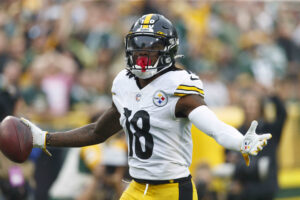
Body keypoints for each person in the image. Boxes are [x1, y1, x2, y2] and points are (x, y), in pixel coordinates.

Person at [20, 14, 272, 200]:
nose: (142, 52)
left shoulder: (178, 84)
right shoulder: (124, 83)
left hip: (172, 190)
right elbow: (97, 132)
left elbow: (213, 126)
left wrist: (240, 142)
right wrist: (45, 138)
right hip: (136, 188)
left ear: (168, 50)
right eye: (139, 44)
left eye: (151, 47)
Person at [227, 88, 287, 200]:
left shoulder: (269, 129)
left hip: (266, 186)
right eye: (247, 106)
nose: (250, 110)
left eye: (253, 106)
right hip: (245, 187)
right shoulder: (238, 131)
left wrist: (272, 95)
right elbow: (229, 156)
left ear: (260, 108)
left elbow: (282, 115)